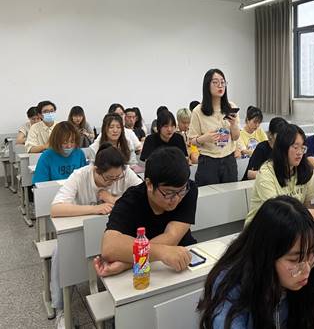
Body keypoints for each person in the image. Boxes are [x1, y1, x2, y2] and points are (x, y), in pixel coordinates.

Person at [198, 196, 314, 329]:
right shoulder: (232, 284)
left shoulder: (312, 266)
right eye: (294, 260)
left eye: (311, 255)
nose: (306, 270)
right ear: (266, 256)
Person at [49, 143, 142, 328]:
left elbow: (143, 197)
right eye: (109, 178)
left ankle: (121, 304)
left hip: (116, 233)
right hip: (82, 233)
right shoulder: (80, 175)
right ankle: (61, 308)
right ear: (96, 170)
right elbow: (56, 209)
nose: (114, 181)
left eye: (117, 177)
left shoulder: (124, 173)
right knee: (60, 252)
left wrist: (112, 199)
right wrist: (94, 209)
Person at [94, 147, 198, 277]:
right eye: (169, 193)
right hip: (143, 274)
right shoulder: (130, 201)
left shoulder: (189, 189)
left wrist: (128, 262)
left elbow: (172, 237)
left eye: (181, 191)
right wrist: (162, 252)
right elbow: (109, 247)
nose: (176, 198)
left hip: (184, 261)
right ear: (149, 184)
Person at [245, 123, 314, 226]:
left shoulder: (305, 170)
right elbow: (276, 212)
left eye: (303, 148)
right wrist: (311, 214)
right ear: (282, 148)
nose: (300, 152)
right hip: (262, 228)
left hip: (291, 226)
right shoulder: (266, 173)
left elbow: (306, 205)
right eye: (295, 147)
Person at [189, 69, 240, 186]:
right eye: (215, 82)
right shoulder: (198, 111)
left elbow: (236, 137)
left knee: (230, 193)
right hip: (208, 162)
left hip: (229, 160)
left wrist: (233, 124)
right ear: (207, 85)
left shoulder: (231, 107)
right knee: (208, 195)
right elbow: (191, 140)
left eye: (223, 82)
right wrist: (204, 138)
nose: (220, 86)